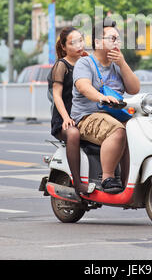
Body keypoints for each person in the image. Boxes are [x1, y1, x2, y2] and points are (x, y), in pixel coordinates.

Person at [71, 20, 140, 193]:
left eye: (118, 39)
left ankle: (129, 180)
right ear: (97, 42)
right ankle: (108, 177)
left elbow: (134, 88)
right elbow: (83, 86)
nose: (116, 43)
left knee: (139, 131)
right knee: (118, 131)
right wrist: (102, 97)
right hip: (88, 116)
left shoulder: (118, 66)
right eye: (112, 38)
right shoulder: (85, 63)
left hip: (115, 115)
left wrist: (123, 64)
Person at [50, 26, 95, 201]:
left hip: (85, 116)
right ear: (63, 47)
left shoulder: (88, 63)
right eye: (72, 42)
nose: (78, 45)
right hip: (65, 121)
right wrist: (66, 118)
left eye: (80, 41)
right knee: (73, 134)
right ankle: (78, 183)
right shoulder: (62, 66)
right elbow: (56, 95)